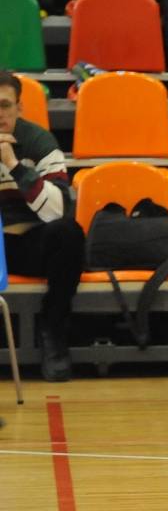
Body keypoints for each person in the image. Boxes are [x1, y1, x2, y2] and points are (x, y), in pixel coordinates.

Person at [0, 72, 83, 382]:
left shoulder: (39, 141)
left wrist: (14, 166)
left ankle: (53, 331)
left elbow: (58, 211)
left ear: (19, 108)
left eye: (5, 105)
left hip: (30, 243)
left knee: (69, 233)